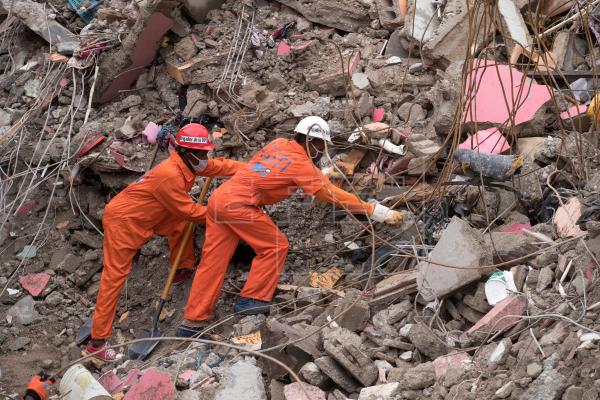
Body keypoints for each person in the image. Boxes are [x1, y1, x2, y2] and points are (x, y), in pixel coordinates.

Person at [177, 116, 406, 336]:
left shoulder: (278, 144)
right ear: (310, 141)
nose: (321, 150)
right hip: (239, 205)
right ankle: (251, 300)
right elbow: (331, 195)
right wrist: (375, 211)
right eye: (320, 145)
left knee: (212, 262)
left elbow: (272, 168)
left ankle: (192, 321)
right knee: (275, 246)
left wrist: (320, 173)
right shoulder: (302, 165)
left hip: (220, 199)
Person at [87, 123, 245, 361]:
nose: (206, 158)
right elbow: (191, 212)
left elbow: (218, 166)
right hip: (125, 221)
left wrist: (252, 169)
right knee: (115, 277)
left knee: (179, 225)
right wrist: (223, 214)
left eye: (206, 153)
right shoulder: (169, 175)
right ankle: (97, 343)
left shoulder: (187, 163)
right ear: (186, 152)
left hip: (153, 214)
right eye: (202, 154)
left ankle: (182, 267)